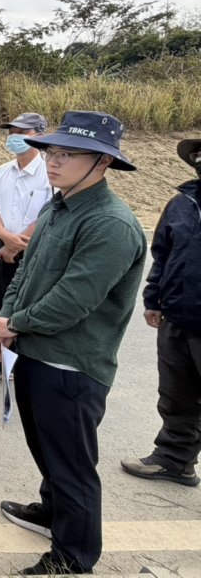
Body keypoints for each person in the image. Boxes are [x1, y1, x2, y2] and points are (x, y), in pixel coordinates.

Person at [0, 110, 147, 576]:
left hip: (71, 364)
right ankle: (52, 510)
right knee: (47, 449)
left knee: (73, 463)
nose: (52, 163)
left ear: (102, 163)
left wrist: (14, 322)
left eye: (65, 154)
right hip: (33, 350)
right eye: (50, 152)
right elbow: (25, 274)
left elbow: (73, 301)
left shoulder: (111, 224)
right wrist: (4, 317)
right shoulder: (56, 208)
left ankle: (73, 556)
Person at [120, 137, 201, 488]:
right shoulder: (182, 204)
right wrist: (154, 299)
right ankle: (175, 459)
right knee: (176, 393)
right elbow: (163, 254)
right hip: (177, 317)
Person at [0, 112, 52, 383]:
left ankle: (27, 364)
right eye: (11, 133)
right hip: (4, 245)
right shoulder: (1, 172)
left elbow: (49, 213)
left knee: (31, 305)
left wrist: (17, 244)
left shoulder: (49, 171)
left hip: (37, 246)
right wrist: (5, 237)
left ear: (40, 137)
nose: (13, 138)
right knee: (1, 301)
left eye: (21, 133)